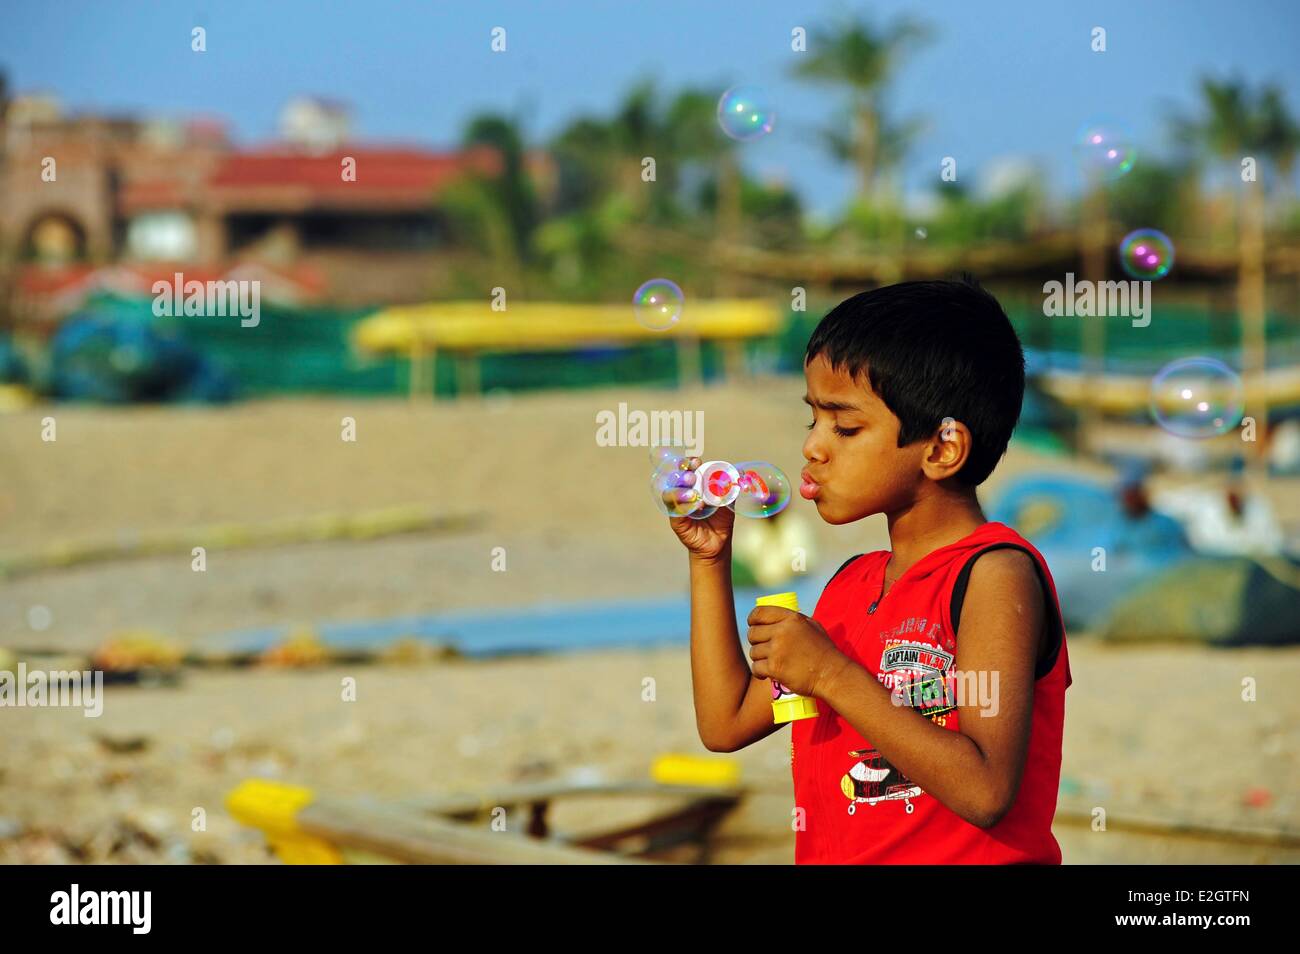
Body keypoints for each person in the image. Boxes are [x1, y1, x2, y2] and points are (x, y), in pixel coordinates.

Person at [663, 277, 1071, 864]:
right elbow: (726, 724)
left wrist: (829, 674)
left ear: (942, 449)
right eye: (813, 421)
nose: (813, 449)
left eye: (845, 427)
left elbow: (986, 790)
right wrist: (709, 560)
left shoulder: (992, 576)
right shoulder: (850, 588)